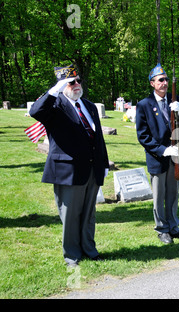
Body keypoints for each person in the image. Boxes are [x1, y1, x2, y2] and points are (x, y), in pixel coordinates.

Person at [29, 64, 110, 266]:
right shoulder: (55, 106)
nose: (76, 85)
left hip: (92, 168)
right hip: (68, 171)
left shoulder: (89, 106)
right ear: (62, 85)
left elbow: (98, 138)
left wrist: (104, 163)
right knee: (71, 215)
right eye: (70, 82)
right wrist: (55, 90)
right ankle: (72, 254)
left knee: (89, 214)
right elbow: (35, 111)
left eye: (78, 81)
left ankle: (89, 249)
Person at [135, 63, 179, 244]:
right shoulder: (144, 105)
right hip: (158, 158)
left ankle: (174, 227)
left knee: (173, 195)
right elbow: (143, 136)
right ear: (152, 83)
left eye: (166, 79)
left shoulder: (176, 100)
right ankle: (162, 229)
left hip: (175, 157)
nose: (164, 83)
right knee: (159, 197)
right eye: (160, 80)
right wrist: (163, 150)